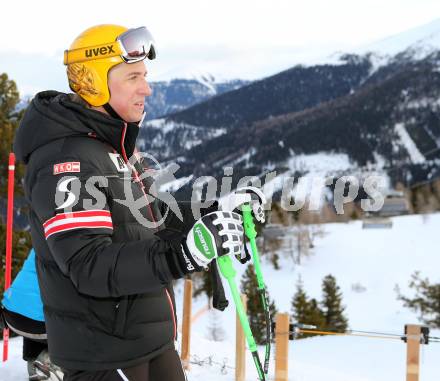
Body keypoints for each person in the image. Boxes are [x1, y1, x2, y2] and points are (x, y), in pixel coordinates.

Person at [13, 24, 248, 381]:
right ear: (94, 82)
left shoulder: (110, 148)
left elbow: (151, 220)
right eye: (133, 77)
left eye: (145, 75)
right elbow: (88, 265)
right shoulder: (66, 161)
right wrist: (182, 255)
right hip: (105, 357)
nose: (147, 88)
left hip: (149, 342)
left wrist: (219, 212)